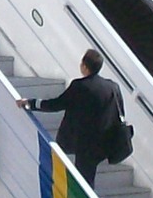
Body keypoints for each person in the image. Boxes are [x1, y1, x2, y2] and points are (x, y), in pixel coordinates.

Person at [17, 48, 125, 185]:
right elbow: (119, 112)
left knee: (84, 181)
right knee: (87, 176)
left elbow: (56, 104)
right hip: (104, 142)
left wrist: (31, 103)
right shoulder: (113, 87)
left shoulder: (79, 86)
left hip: (84, 143)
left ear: (85, 67)